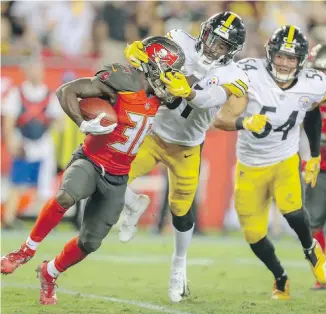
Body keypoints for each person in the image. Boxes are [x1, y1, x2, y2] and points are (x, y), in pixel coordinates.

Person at [1, 36, 185, 305]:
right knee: (66, 196)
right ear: (153, 67)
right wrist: (81, 122)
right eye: (169, 71)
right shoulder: (124, 80)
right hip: (92, 159)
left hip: (118, 176)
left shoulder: (165, 98)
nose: (172, 78)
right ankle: (24, 251)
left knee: (90, 243)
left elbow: (191, 104)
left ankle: (49, 273)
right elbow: (66, 91)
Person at [120, 11, 248, 302]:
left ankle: (179, 265)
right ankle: (132, 207)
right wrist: (139, 52)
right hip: (154, 133)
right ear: (203, 32)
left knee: (181, 208)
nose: (214, 46)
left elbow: (210, 99)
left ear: (231, 51)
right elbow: (151, 57)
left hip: (188, 146)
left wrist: (189, 92)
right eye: (212, 38)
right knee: (114, 177)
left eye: (222, 45)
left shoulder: (235, 75)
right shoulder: (180, 40)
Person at [212, 25, 326, 299]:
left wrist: (313, 155)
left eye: (291, 58)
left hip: (284, 158)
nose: (285, 63)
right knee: (253, 235)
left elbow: (312, 113)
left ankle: (311, 249)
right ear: (270, 54)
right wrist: (244, 121)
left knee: (292, 211)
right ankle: (280, 276)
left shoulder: (313, 84)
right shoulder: (250, 74)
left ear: (301, 61)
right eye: (280, 56)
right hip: (250, 164)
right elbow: (220, 119)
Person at [2, 59, 63, 229]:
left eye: (39, 69)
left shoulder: (50, 96)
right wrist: (11, 141)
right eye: (33, 69)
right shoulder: (17, 93)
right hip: (24, 143)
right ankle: (8, 218)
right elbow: (8, 120)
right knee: (17, 183)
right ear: (26, 72)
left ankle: (43, 223)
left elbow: (60, 122)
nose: (36, 73)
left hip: (43, 144)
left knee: (45, 185)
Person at [304, 44, 326, 290]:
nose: (325, 75)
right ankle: (322, 276)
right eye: (320, 70)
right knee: (314, 222)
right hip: (320, 163)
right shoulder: (303, 94)